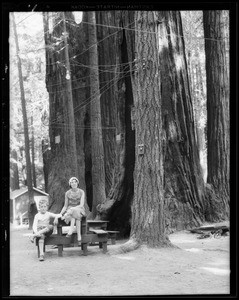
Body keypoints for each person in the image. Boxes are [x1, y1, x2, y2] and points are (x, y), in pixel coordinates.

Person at [59, 177, 87, 246]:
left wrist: (71, 210)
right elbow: (65, 206)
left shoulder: (81, 192)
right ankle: (79, 237)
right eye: (72, 182)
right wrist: (60, 214)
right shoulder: (67, 193)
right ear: (70, 184)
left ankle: (70, 231)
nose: (74, 183)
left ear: (77, 183)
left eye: (75, 182)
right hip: (71, 211)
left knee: (74, 211)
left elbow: (81, 204)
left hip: (79, 209)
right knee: (74, 215)